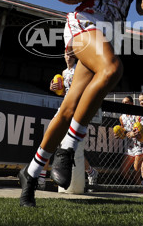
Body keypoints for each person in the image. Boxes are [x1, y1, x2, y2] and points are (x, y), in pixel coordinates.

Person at [19, 0, 143, 207]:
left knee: (68, 109)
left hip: (110, 34)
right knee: (112, 70)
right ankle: (68, 148)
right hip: (84, 23)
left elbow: (141, 6)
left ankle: (29, 174)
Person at [43, 51, 98, 190]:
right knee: (49, 136)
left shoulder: (81, 69)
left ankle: (91, 172)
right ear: (64, 56)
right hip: (64, 107)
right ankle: (41, 176)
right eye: (67, 54)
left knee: (73, 148)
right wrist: (53, 87)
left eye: (72, 54)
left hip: (77, 108)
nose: (69, 56)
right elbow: (63, 91)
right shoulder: (64, 72)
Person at [116, 96, 143, 185]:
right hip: (130, 145)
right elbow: (123, 130)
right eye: (123, 103)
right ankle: (136, 185)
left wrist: (135, 133)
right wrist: (120, 134)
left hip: (140, 143)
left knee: (136, 170)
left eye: (126, 102)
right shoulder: (121, 117)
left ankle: (141, 190)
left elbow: (142, 129)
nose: (124, 104)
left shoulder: (136, 114)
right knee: (123, 171)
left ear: (132, 103)